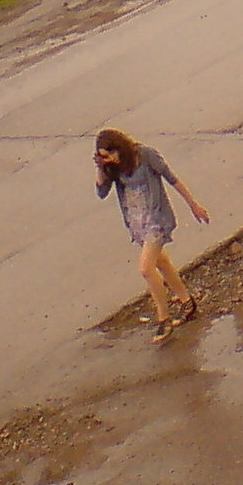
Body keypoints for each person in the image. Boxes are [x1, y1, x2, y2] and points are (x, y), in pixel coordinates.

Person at [94, 128, 211, 342]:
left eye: (109, 153)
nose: (109, 159)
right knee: (162, 262)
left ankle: (163, 319)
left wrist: (194, 205)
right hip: (137, 223)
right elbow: (101, 193)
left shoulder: (145, 155)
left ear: (119, 148)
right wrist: (102, 168)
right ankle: (187, 302)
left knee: (146, 269)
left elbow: (172, 179)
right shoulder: (112, 167)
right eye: (102, 156)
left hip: (157, 219)